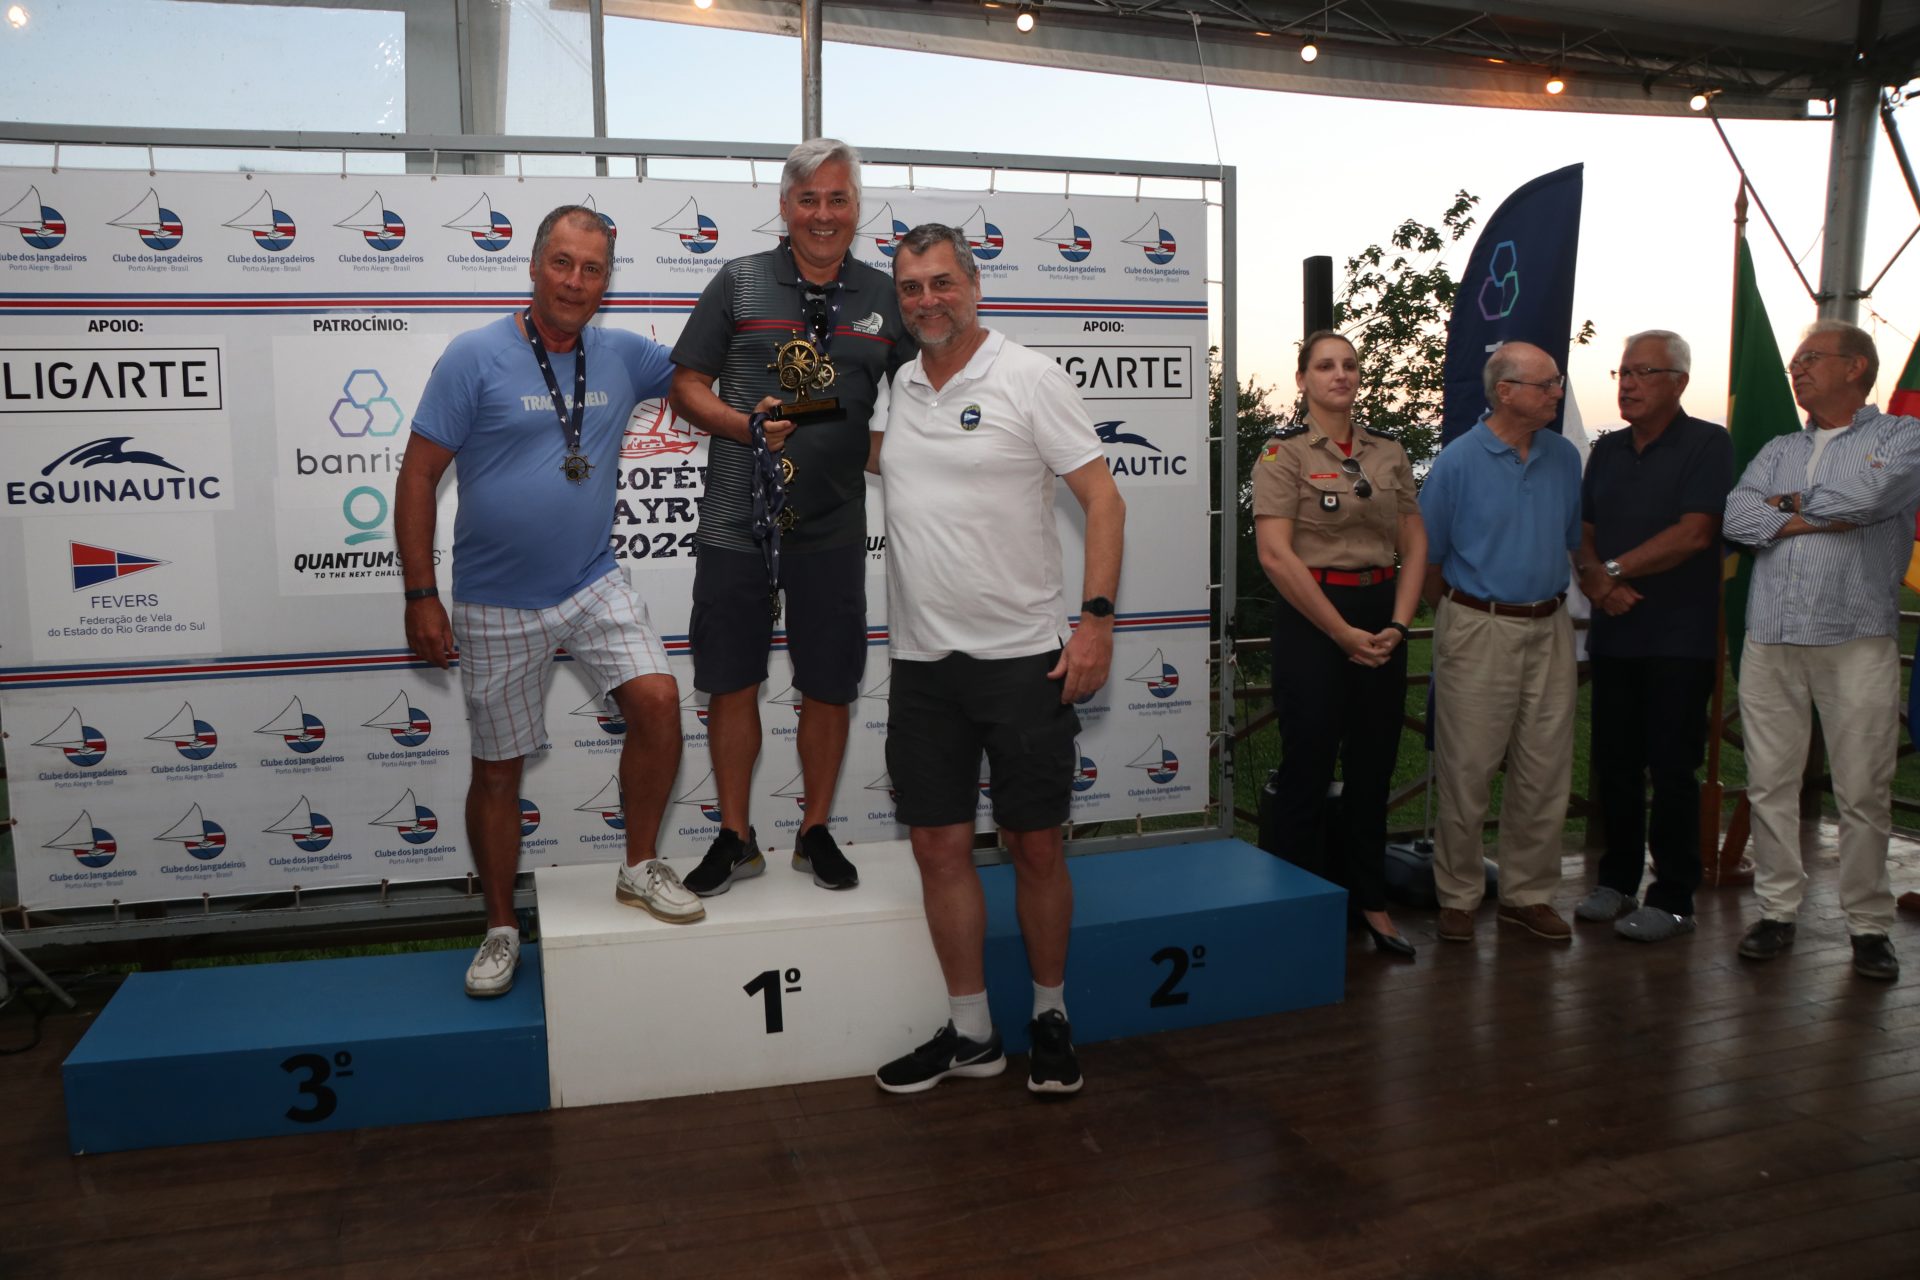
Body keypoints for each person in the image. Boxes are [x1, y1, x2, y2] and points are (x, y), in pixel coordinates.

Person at [397, 205, 704, 999]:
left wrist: (785, 391)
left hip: (592, 581)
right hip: (495, 600)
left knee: (658, 701)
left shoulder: (625, 354)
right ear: (533, 266)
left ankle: (638, 865)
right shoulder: (475, 356)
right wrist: (421, 593)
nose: (575, 281)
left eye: (592, 268)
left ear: (608, 279)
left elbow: (704, 371)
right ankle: (501, 926)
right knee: (497, 770)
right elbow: (419, 475)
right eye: (562, 263)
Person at [869, 224, 1125, 1096]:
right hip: (922, 664)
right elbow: (862, 455)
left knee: (1035, 846)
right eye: (911, 288)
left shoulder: (1028, 375)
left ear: (974, 287)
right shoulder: (898, 385)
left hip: (1024, 660)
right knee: (938, 848)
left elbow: (1103, 500)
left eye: (942, 282)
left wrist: (1095, 624)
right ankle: (972, 1033)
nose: (927, 300)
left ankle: (1050, 1015)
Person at [669, 138, 915, 898]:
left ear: (857, 208)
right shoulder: (738, 281)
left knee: (829, 683)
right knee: (731, 680)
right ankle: (734, 835)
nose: (823, 214)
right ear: (784, 207)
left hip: (834, 525)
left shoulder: (886, 295)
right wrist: (743, 425)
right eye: (808, 200)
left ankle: (814, 830)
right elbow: (685, 386)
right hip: (735, 520)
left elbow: (927, 394)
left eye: (838, 199)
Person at [1724, 320, 1920, 981]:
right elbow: (1736, 517)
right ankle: (1777, 912)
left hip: (1855, 637)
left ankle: (1868, 926)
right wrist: (1817, 512)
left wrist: (1783, 508)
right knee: (1769, 783)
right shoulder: (1778, 446)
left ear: (1856, 367)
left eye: (1810, 358)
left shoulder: (1902, 437)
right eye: (1795, 361)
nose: (1797, 369)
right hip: (1770, 636)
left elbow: (1869, 498)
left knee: (1863, 789)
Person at [1252, 331, 1426, 957]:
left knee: (1374, 768)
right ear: (1303, 380)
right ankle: (1296, 908)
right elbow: (1275, 555)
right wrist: (1340, 632)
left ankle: (1370, 903)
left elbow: (1414, 541)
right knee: (1308, 767)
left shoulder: (1388, 451)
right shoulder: (1283, 454)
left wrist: (1399, 626)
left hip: (1382, 615)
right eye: (1325, 366)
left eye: (1350, 365)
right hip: (1314, 620)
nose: (1340, 375)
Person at [1419, 341, 1583, 944]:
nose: (1557, 392)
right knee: (1467, 768)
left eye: (1557, 382)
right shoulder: (1457, 462)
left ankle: (1527, 895)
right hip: (1478, 625)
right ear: (1506, 392)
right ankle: (1458, 895)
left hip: (1551, 625)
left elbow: (1570, 538)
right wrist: (1463, 615)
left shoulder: (1564, 457)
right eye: (1547, 384)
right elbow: (1426, 560)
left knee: (1545, 769)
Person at [1572, 331, 1733, 943]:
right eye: (1623, 372)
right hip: (1616, 636)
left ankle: (1673, 898)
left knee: (1672, 770)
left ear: (1679, 382)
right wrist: (1596, 579)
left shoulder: (1708, 444)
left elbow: (1696, 533)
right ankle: (1616, 881)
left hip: (1679, 640)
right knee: (1614, 766)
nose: (1629, 384)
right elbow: (1584, 530)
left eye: (1643, 372)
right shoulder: (1607, 449)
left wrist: (1612, 572)